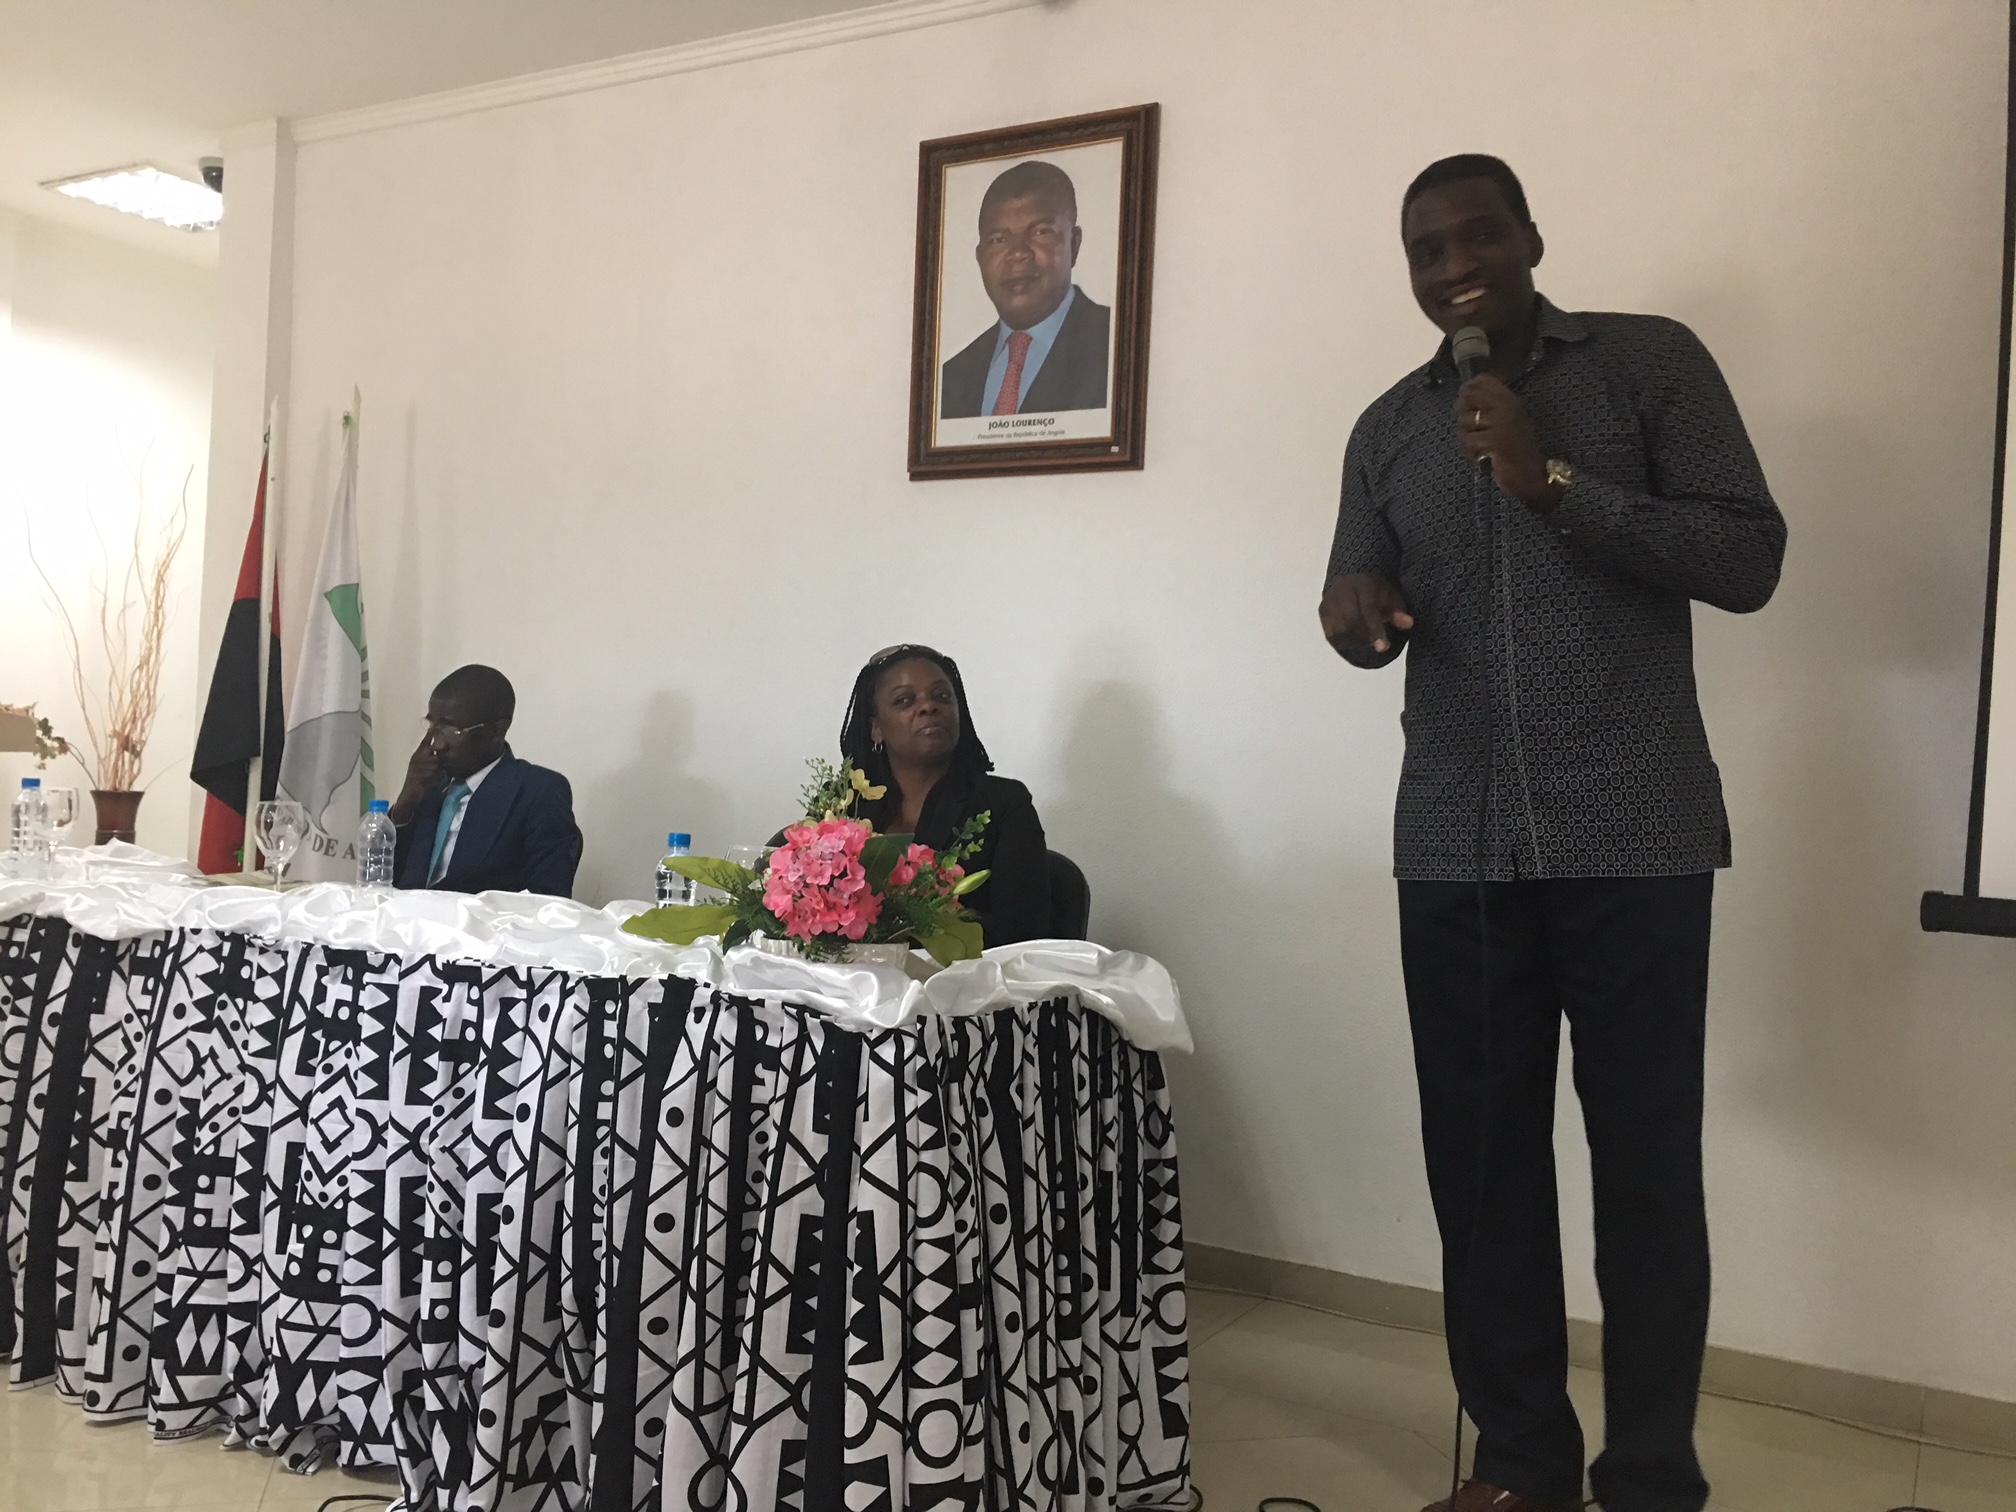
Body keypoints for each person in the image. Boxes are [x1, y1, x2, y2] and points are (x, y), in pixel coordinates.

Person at [1319, 156, 1786, 1512]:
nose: (1452, 265)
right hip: (1454, 844)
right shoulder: (1385, 429)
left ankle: (1650, 1477)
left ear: (1530, 238)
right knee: (1480, 1175)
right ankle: (1523, 1464)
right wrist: (1355, 615)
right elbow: (1359, 589)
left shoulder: (1649, 367)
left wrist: (1554, 481)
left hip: (1634, 834)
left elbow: (1748, 557)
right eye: (1425, 249)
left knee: (1645, 1173)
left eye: (1477, 235)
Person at [838, 644, 1051, 946]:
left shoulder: (1004, 803)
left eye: (942, 696)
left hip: (973, 973)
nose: (928, 707)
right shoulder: (845, 806)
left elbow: (1023, 930)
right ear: (876, 728)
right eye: (904, 700)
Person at [388, 664, 582, 898]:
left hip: (477, 921)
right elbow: (385, 881)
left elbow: (547, 898)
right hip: (405, 917)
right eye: (432, 726)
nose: (437, 744)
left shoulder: (537, 791)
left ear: (497, 731)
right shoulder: (428, 784)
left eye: (452, 729)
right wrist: (403, 807)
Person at [939, 159, 1111, 419]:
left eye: (1040, 232)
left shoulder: (1114, 345)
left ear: (1074, 245)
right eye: (998, 239)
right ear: (980, 256)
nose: (1018, 253)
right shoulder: (951, 378)